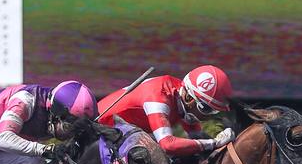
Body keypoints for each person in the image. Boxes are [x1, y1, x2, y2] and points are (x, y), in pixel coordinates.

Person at [96, 65, 236, 158]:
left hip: (118, 136)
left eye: (213, 112)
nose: (206, 117)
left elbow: (195, 136)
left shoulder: (181, 97)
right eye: (207, 110)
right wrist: (214, 143)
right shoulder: (158, 98)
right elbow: (168, 145)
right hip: (96, 134)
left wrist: (214, 143)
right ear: (189, 98)